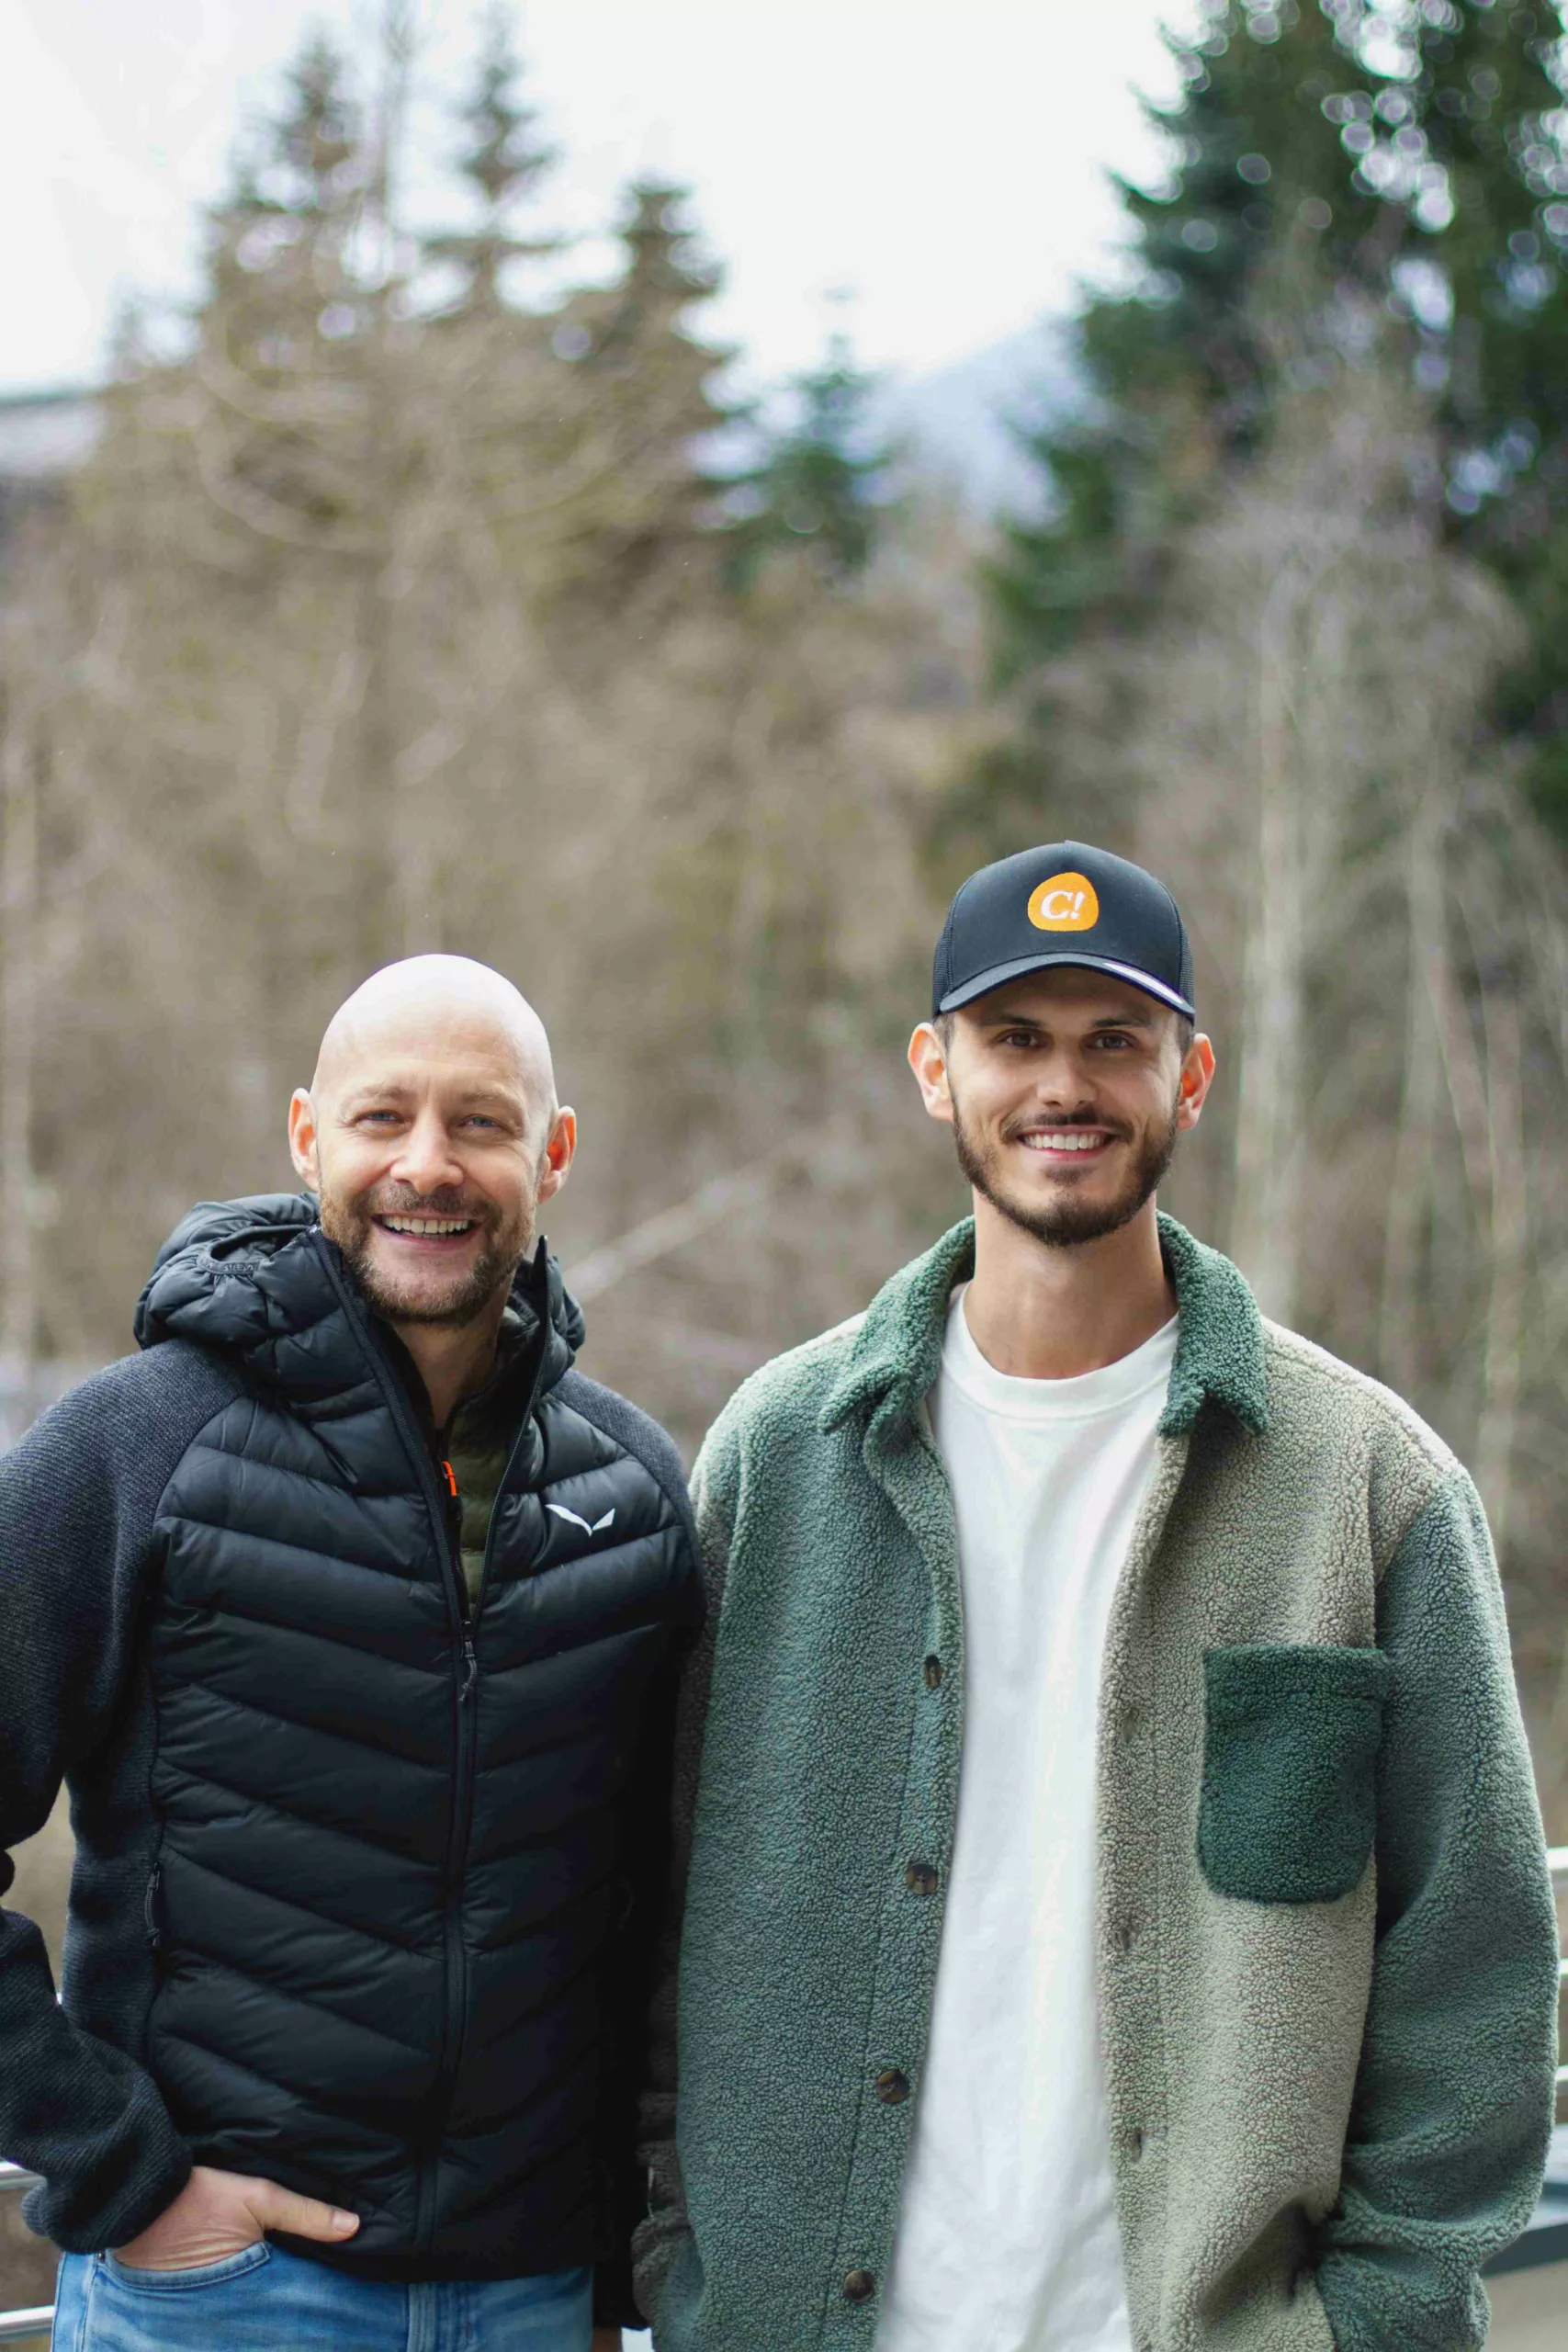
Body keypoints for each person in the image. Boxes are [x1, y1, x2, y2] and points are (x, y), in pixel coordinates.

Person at [635, 843, 1561, 2352]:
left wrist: (1373, 2322)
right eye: (1015, 1040)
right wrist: (682, 2257)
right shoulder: (777, 1461)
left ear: (1190, 1077)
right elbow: (652, 1901)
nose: (1063, 1087)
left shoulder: (1364, 1487)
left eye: (1113, 1042)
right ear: (934, 1070)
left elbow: (1472, 1972)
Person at [0, 955, 700, 2352]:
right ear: (308, 1137)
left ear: (551, 1156)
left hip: (536, 2299)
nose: (426, 1168)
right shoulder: (135, 1450)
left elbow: (661, 1917)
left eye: (480, 1124)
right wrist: (120, 2171)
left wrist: (636, 2243)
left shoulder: (632, 1491)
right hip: (219, 2295)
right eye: (384, 1120)